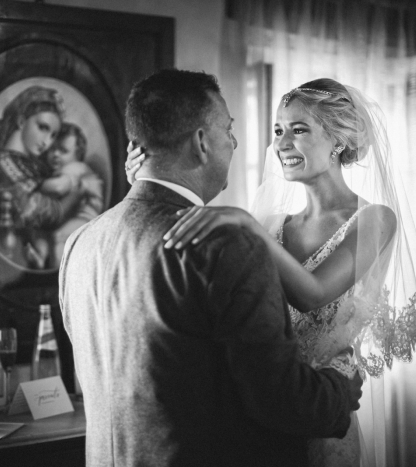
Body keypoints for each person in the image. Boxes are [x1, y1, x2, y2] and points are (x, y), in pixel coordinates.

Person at [125, 78, 416, 466]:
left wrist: (243, 223)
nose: (281, 144)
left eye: (298, 130)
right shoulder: (270, 224)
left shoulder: (374, 220)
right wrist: (147, 184)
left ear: (338, 141)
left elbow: (312, 294)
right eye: (278, 131)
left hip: (323, 415)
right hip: (259, 412)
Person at [59, 69, 364, 467]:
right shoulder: (228, 244)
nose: (235, 142)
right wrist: (343, 388)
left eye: (298, 130)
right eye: (228, 129)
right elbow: (280, 400)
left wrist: (143, 185)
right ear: (202, 143)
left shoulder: (81, 242)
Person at [0, 86, 84, 270]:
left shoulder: (35, 167)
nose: (47, 142)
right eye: (43, 127)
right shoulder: (1, 166)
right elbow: (39, 212)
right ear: (21, 121)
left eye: (53, 135)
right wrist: (75, 196)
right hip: (7, 268)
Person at [39, 122, 104, 268]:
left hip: (87, 219)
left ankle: (58, 274)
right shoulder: (60, 170)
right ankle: (42, 259)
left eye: (63, 150)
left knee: (59, 238)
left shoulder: (76, 168)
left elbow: (58, 187)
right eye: (52, 149)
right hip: (72, 217)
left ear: (78, 154)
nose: (55, 154)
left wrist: (35, 184)